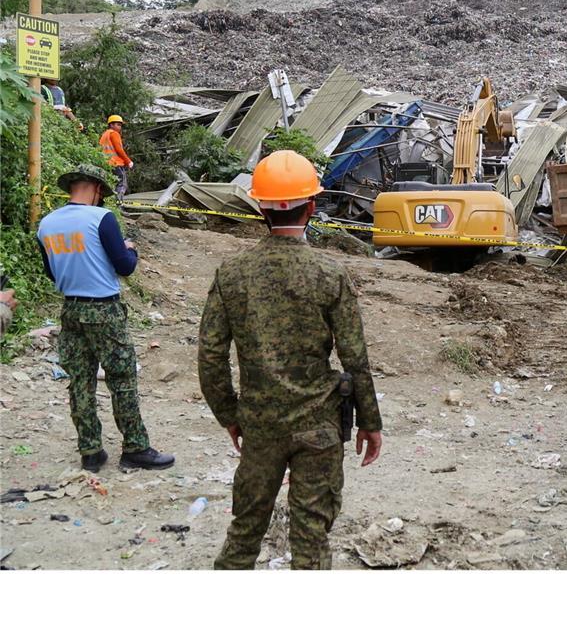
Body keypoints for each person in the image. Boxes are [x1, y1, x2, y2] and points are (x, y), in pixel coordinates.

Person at [198, 150, 383, 570]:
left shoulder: (231, 273)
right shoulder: (329, 273)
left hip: (260, 426)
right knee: (311, 537)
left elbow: (210, 355)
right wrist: (370, 422)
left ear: (259, 207)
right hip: (318, 426)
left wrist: (230, 414)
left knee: (244, 532)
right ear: (312, 206)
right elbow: (355, 355)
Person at [36, 163, 175, 473]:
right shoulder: (102, 218)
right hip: (105, 310)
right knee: (122, 379)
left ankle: (91, 451)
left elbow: (50, 271)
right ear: (97, 189)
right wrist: (131, 250)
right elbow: (125, 266)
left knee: (80, 381)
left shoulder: (46, 224)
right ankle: (136, 448)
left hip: (70, 309)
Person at [98, 115, 133, 202]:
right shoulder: (114, 134)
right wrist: (128, 161)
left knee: (109, 184)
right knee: (122, 184)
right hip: (115, 163)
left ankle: (106, 203)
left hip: (105, 164)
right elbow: (119, 150)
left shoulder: (105, 135)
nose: (119, 127)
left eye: (120, 125)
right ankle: (118, 205)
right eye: (118, 124)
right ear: (111, 125)